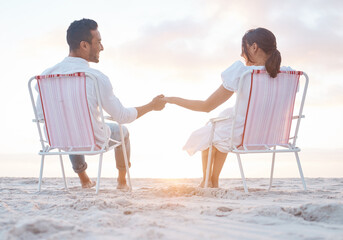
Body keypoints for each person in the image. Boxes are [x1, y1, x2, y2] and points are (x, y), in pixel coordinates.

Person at [36, 18, 165, 190]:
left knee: (70, 127)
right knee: (123, 132)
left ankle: (84, 180)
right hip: (94, 140)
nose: (102, 47)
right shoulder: (95, 77)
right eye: (98, 42)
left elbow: (40, 116)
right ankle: (122, 181)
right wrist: (151, 106)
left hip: (58, 140)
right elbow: (122, 116)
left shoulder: (46, 76)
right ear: (84, 45)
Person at [163, 28, 292, 188]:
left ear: (254, 47)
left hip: (242, 136)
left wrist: (172, 100)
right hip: (269, 136)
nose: (241, 55)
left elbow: (206, 106)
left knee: (210, 131)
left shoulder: (243, 73)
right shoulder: (288, 75)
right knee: (221, 129)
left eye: (243, 49)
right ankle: (213, 181)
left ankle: (208, 181)